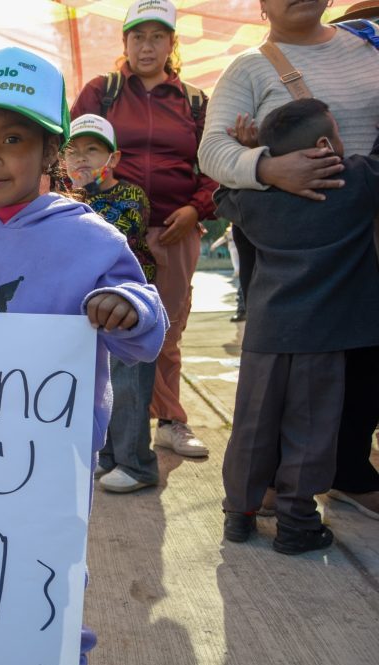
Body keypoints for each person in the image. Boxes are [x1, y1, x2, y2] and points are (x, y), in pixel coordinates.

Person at [0, 46, 168, 665]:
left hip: (53, 453)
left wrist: (125, 306)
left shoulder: (90, 236)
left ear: (50, 153)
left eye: (12, 138)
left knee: (45, 564)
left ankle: (59, 656)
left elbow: (145, 327)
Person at [198, 0, 379, 520]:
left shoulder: (367, 49)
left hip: (367, 227)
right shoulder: (249, 67)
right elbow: (211, 152)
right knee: (291, 369)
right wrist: (267, 167)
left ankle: (348, 470)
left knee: (368, 354)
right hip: (288, 235)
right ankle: (278, 483)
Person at [214, 98, 379, 553]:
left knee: (252, 426)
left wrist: (256, 158)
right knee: (310, 430)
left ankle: (238, 515)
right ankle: (297, 523)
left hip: (265, 336)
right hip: (324, 338)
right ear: (325, 144)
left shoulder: (254, 202)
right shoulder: (359, 180)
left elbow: (223, 194)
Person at [72, 0, 217, 459]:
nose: (146, 45)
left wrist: (196, 209)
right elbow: (71, 147)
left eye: (157, 36)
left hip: (174, 229)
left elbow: (213, 164)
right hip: (108, 231)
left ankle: (170, 420)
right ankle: (103, 429)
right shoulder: (104, 91)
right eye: (137, 36)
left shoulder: (194, 101)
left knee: (166, 327)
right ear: (125, 42)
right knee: (100, 325)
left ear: (172, 44)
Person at [63, 114, 159, 493]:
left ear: (113, 159)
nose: (81, 159)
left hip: (126, 309)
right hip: (84, 309)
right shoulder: (66, 200)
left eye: (92, 149)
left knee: (128, 384)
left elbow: (110, 236)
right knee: (98, 384)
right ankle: (109, 455)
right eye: (72, 152)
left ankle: (138, 465)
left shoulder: (130, 196)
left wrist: (75, 201)